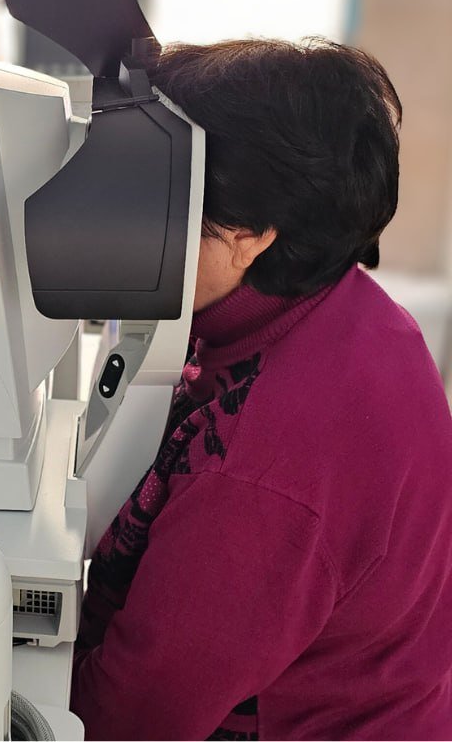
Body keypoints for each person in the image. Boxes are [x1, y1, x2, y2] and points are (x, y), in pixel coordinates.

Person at [70, 37, 452, 739]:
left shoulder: (264, 466)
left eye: (162, 198)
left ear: (250, 235)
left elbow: (126, 719)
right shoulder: (348, 311)